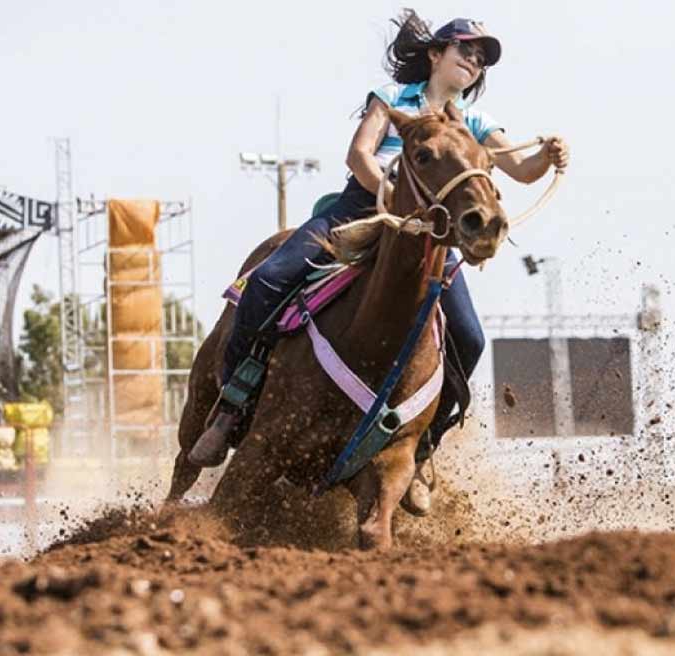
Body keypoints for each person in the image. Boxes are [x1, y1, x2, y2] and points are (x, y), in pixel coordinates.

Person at [189, 10, 570, 515]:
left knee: (470, 338)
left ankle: (420, 447)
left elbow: (521, 169)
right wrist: (392, 196)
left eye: (481, 59)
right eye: (466, 51)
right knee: (269, 280)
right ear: (436, 54)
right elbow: (360, 156)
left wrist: (550, 156)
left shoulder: (474, 126)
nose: (474, 63)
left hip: (429, 236)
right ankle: (231, 408)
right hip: (359, 210)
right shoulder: (391, 100)